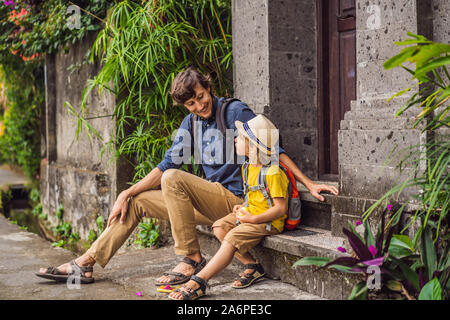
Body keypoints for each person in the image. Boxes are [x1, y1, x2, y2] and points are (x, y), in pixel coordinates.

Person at [36, 67, 339, 285]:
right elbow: (167, 163)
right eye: (191, 103)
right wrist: (126, 193)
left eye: (201, 97)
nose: (199, 105)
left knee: (174, 180)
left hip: (237, 201)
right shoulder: (191, 123)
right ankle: (85, 264)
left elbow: (272, 149)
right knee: (139, 201)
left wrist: (308, 183)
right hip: (211, 203)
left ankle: (191, 258)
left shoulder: (233, 112)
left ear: (209, 88)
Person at [168, 114, 288, 300]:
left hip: (268, 221)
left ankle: (199, 281)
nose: (235, 139)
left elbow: (280, 209)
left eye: (240, 137)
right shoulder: (248, 166)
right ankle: (252, 265)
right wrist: (242, 207)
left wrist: (253, 219)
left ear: (253, 145)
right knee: (219, 227)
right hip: (251, 213)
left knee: (231, 237)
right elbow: (253, 195)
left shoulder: (273, 172)